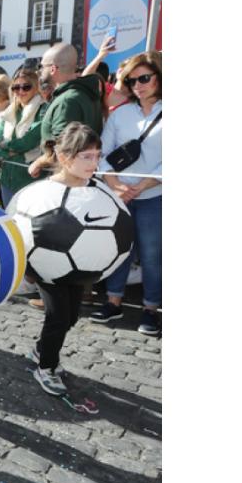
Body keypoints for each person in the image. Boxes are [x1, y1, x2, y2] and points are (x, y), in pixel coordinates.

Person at [28, 123, 104, 396]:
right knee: (58, 316)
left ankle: (40, 350)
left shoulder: (94, 189)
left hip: (78, 265)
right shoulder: (44, 191)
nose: (93, 163)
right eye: (86, 156)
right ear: (64, 158)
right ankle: (46, 367)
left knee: (71, 315)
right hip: (47, 265)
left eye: (97, 155)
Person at [90, 52, 162, 335]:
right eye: (132, 81)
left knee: (152, 254)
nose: (138, 85)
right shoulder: (121, 113)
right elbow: (103, 152)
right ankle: (113, 301)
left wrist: (144, 184)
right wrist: (115, 183)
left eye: (144, 78)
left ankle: (150, 309)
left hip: (156, 195)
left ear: (159, 77)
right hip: (119, 194)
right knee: (119, 249)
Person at [27, 43, 103, 181]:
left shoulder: (66, 101)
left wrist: (39, 162)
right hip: (80, 174)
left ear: (53, 69)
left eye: (41, 66)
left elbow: (64, 148)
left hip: (67, 178)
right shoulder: (82, 93)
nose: (39, 71)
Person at [0, 68, 48, 208]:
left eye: (26, 87)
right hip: (6, 180)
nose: (20, 91)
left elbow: (27, 142)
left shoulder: (43, 110)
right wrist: (7, 152)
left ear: (36, 87)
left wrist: (4, 146)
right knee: (10, 222)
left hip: (30, 180)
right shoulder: (10, 112)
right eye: (15, 87)